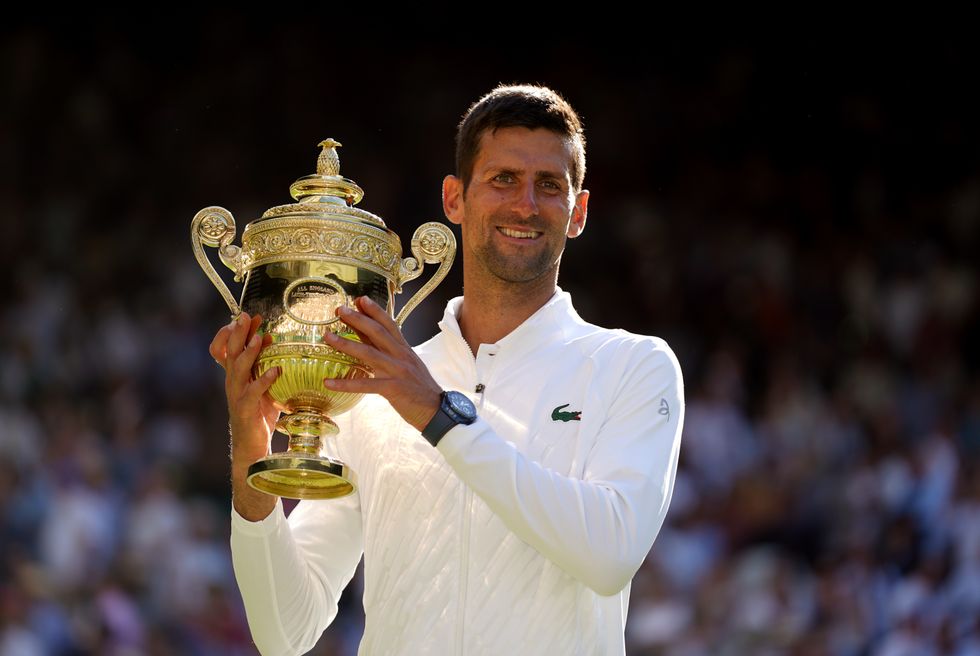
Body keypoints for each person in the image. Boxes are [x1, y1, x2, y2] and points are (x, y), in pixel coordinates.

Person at [210, 84, 685, 655]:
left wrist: (438, 416)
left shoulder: (634, 366)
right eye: (503, 178)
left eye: (550, 186)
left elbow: (609, 557)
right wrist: (248, 458)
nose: (525, 205)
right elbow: (284, 631)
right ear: (454, 199)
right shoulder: (376, 385)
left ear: (578, 211)